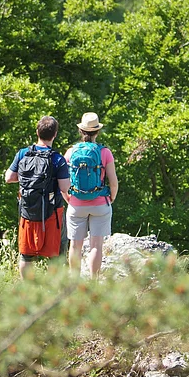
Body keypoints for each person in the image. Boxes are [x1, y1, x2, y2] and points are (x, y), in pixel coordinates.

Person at [5, 116, 70, 276]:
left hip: (27, 211)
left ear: (37, 132)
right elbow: (64, 187)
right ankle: (53, 290)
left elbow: (9, 178)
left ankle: (27, 291)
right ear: (54, 134)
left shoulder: (22, 154)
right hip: (52, 212)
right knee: (56, 255)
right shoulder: (57, 159)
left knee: (26, 256)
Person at [65, 112, 118, 277]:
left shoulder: (71, 152)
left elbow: (62, 181)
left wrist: (68, 198)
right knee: (96, 245)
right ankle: (93, 283)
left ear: (81, 131)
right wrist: (111, 198)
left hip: (76, 204)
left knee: (75, 246)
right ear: (97, 132)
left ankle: (73, 284)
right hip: (100, 203)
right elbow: (113, 181)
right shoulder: (105, 153)